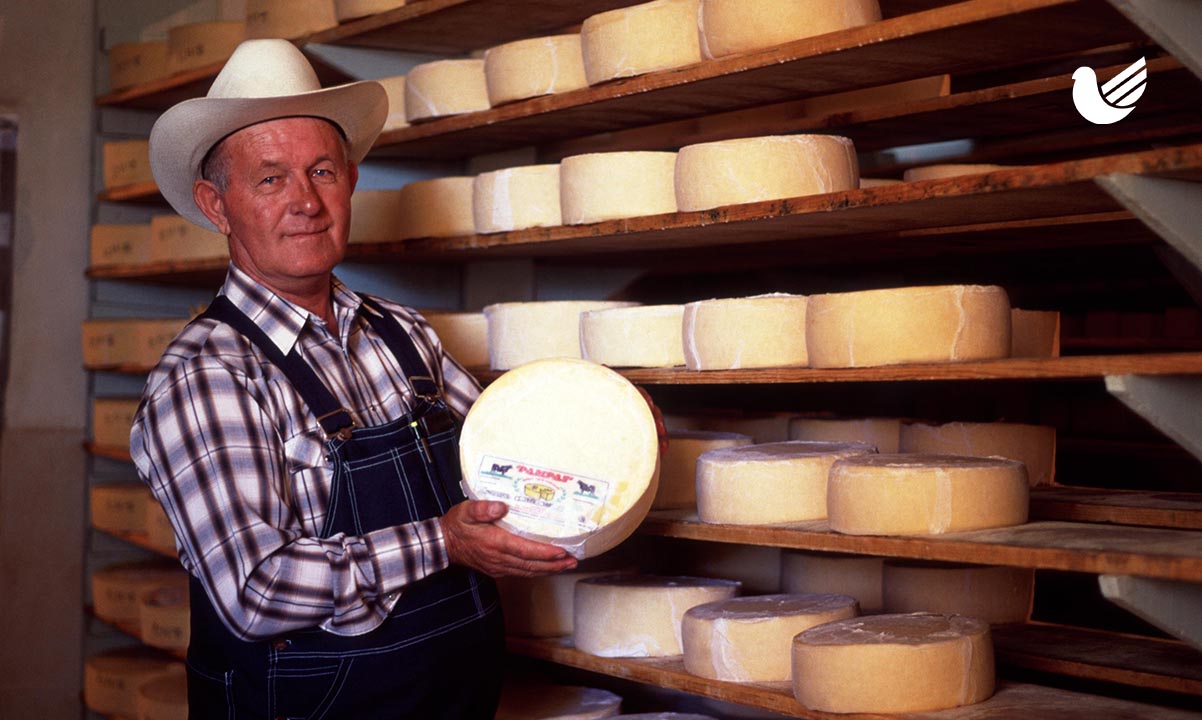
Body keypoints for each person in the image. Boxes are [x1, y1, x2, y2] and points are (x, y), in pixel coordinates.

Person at [131, 39, 578, 719]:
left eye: (322, 171)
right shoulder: (207, 375)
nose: (306, 201)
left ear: (351, 181)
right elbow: (257, 589)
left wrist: (608, 428)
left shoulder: (405, 333)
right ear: (216, 206)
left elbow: (510, 454)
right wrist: (445, 541)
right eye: (271, 178)